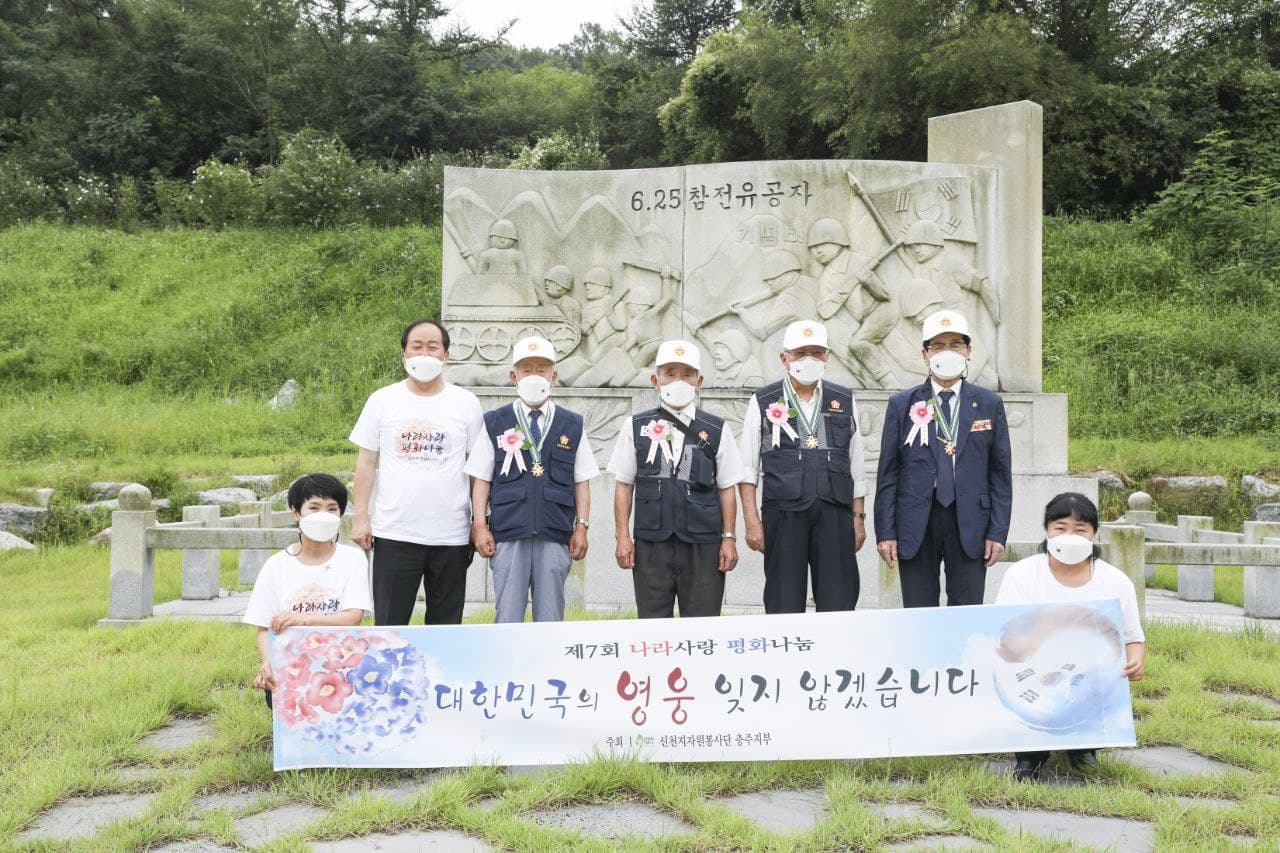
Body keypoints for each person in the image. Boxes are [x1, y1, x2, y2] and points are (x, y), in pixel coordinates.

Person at [996, 492, 1146, 780]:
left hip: (1088, 674)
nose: (1070, 537)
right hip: (1033, 668)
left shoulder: (1115, 581)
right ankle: (1029, 754)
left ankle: (1082, 746)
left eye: (1080, 529)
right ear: (1047, 531)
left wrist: (1136, 661)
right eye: (1060, 528)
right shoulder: (1021, 575)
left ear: (1094, 534)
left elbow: (1132, 636)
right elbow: (1004, 633)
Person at [349, 318, 484, 625]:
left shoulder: (466, 403)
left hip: (451, 535)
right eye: (417, 347)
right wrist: (361, 517)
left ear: (446, 355)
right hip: (395, 532)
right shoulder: (382, 400)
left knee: (446, 628)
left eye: (432, 347)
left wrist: (479, 522)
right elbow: (366, 462)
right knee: (390, 625)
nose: (424, 354)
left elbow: (478, 470)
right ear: (403, 354)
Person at [875, 309, 1012, 607]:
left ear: (968, 351)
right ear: (925, 354)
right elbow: (888, 474)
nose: (947, 352)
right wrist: (885, 532)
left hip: (971, 521)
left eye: (955, 345)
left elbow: (1000, 474)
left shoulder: (989, 404)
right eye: (938, 346)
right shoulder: (902, 405)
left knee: (966, 611)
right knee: (919, 610)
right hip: (915, 521)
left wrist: (998, 531)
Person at [466, 336, 599, 622]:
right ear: (513, 376)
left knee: (551, 618)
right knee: (508, 618)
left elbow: (582, 482)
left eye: (542, 369)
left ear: (554, 377)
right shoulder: (495, 421)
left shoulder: (572, 424)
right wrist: (480, 526)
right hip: (508, 532)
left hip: (554, 532)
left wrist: (581, 527)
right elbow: (481, 479)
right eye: (527, 370)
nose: (534, 375)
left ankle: (549, 656)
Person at [739, 320, 867, 613]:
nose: (809, 359)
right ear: (784, 358)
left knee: (839, 600)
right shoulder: (763, 400)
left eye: (816, 352)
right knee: (783, 601)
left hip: (835, 512)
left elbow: (856, 465)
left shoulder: (844, 399)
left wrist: (858, 518)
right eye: (800, 353)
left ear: (826, 357)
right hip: (784, 513)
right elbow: (747, 469)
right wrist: (752, 521)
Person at [609, 340, 743, 618]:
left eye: (687, 374)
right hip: (652, 542)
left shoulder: (716, 429)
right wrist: (623, 537)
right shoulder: (635, 426)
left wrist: (729, 538)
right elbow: (624, 484)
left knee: (703, 624)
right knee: (653, 625)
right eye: (670, 373)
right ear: (655, 380)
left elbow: (727, 487)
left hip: (703, 544)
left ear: (699, 381)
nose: (678, 381)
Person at [244, 474, 372, 708]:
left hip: (340, 661)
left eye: (331, 509)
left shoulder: (353, 559)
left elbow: (353, 617)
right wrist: (268, 662)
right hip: (292, 663)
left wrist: (302, 619)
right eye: (314, 508)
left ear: (340, 514)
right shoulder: (276, 565)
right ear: (296, 513)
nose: (323, 515)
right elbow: (263, 627)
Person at [807, 218, 897, 387]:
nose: (817, 250)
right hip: (858, 317)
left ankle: (890, 382)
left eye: (822, 244)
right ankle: (870, 384)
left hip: (881, 311)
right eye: (813, 247)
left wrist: (869, 281)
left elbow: (885, 295)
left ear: (839, 242)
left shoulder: (861, 261)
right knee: (829, 331)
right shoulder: (826, 277)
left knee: (858, 343)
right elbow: (824, 310)